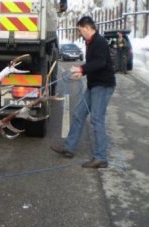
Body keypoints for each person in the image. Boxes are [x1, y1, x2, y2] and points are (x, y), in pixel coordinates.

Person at [51, 16, 116, 169]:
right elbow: (94, 64)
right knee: (79, 113)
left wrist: (81, 69)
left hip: (103, 86)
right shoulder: (91, 42)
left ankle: (101, 158)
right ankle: (69, 147)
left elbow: (100, 63)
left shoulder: (99, 42)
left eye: (80, 30)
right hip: (94, 85)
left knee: (97, 119)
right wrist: (82, 73)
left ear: (87, 27)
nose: (80, 34)